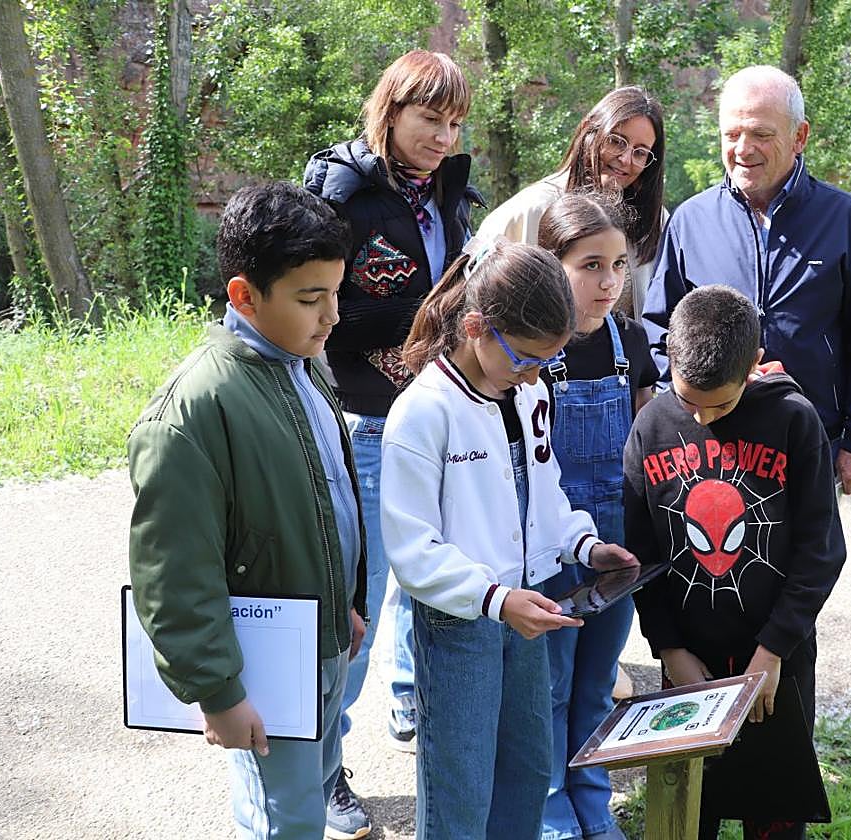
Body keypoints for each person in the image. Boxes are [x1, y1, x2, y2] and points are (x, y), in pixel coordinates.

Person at [127, 182, 368, 839]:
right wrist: (219, 692)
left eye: (336, 294)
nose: (332, 317)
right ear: (244, 296)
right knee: (282, 819)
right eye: (310, 299)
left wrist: (344, 598)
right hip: (260, 671)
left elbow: (323, 503)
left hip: (319, 643)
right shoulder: (193, 412)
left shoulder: (304, 367)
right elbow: (174, 575)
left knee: (310, 794)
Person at [379, 239, 639, 839]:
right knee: (460, 785)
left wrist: (583, 546)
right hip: (460, 620)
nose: (535, 373)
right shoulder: (423, 412)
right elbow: (413, 551)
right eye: (524, 357)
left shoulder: (528, 392)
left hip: (527, 605)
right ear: (475, 327)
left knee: (526, 771)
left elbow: (544, 493)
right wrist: (495, 599)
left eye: (545, 361)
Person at [303, 48, 482, 837]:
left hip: (441, 413)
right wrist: (416, 326)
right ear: (391, 110)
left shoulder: (449, 189)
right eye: (428, 119)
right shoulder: (342, 190)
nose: (442, 136)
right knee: (356, 607)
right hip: (368, 420)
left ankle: (411, 699)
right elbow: (315, 303)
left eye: (453, 122)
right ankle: (320, 774)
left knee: (433, 574)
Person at [625, 286, 846, 840]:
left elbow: (821, 550)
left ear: (753, 365)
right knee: (686, 815)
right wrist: (669, 649)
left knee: (772, 814)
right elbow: (643, 558)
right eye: (690, 401)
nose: (702, 416)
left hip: (774, 664)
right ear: (669, 360)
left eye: (720, 405)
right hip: (688, 664)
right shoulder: (650, 428)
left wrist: (771, 653)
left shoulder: (795, 421)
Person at [643, 66, 851, 496]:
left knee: (809, 562)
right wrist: (681, 409)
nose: (743, 149)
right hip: (712, 444)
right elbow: (660, 327)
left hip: (812, 441)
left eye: (761, 134)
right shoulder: (691, 220)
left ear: (799, 137)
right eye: (731, 134)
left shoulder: (848, 221)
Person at [535, 193, 658, 840]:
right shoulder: (534, 348)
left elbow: (648, 439)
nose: (608, 282)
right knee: (552, 684)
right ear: (553, 265)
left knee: (596, 683)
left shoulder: (632, 342)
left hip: (617, 542)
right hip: (552, 546)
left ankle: (592, 797)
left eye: (618, 265)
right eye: (590, 265)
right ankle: (552, 808)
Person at [476, 86, 667, 318]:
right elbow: (480, 302)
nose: (625, 159)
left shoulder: (654, 222)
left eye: (640, 152)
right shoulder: (532, 210)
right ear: (590, 133)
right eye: (617, 141)